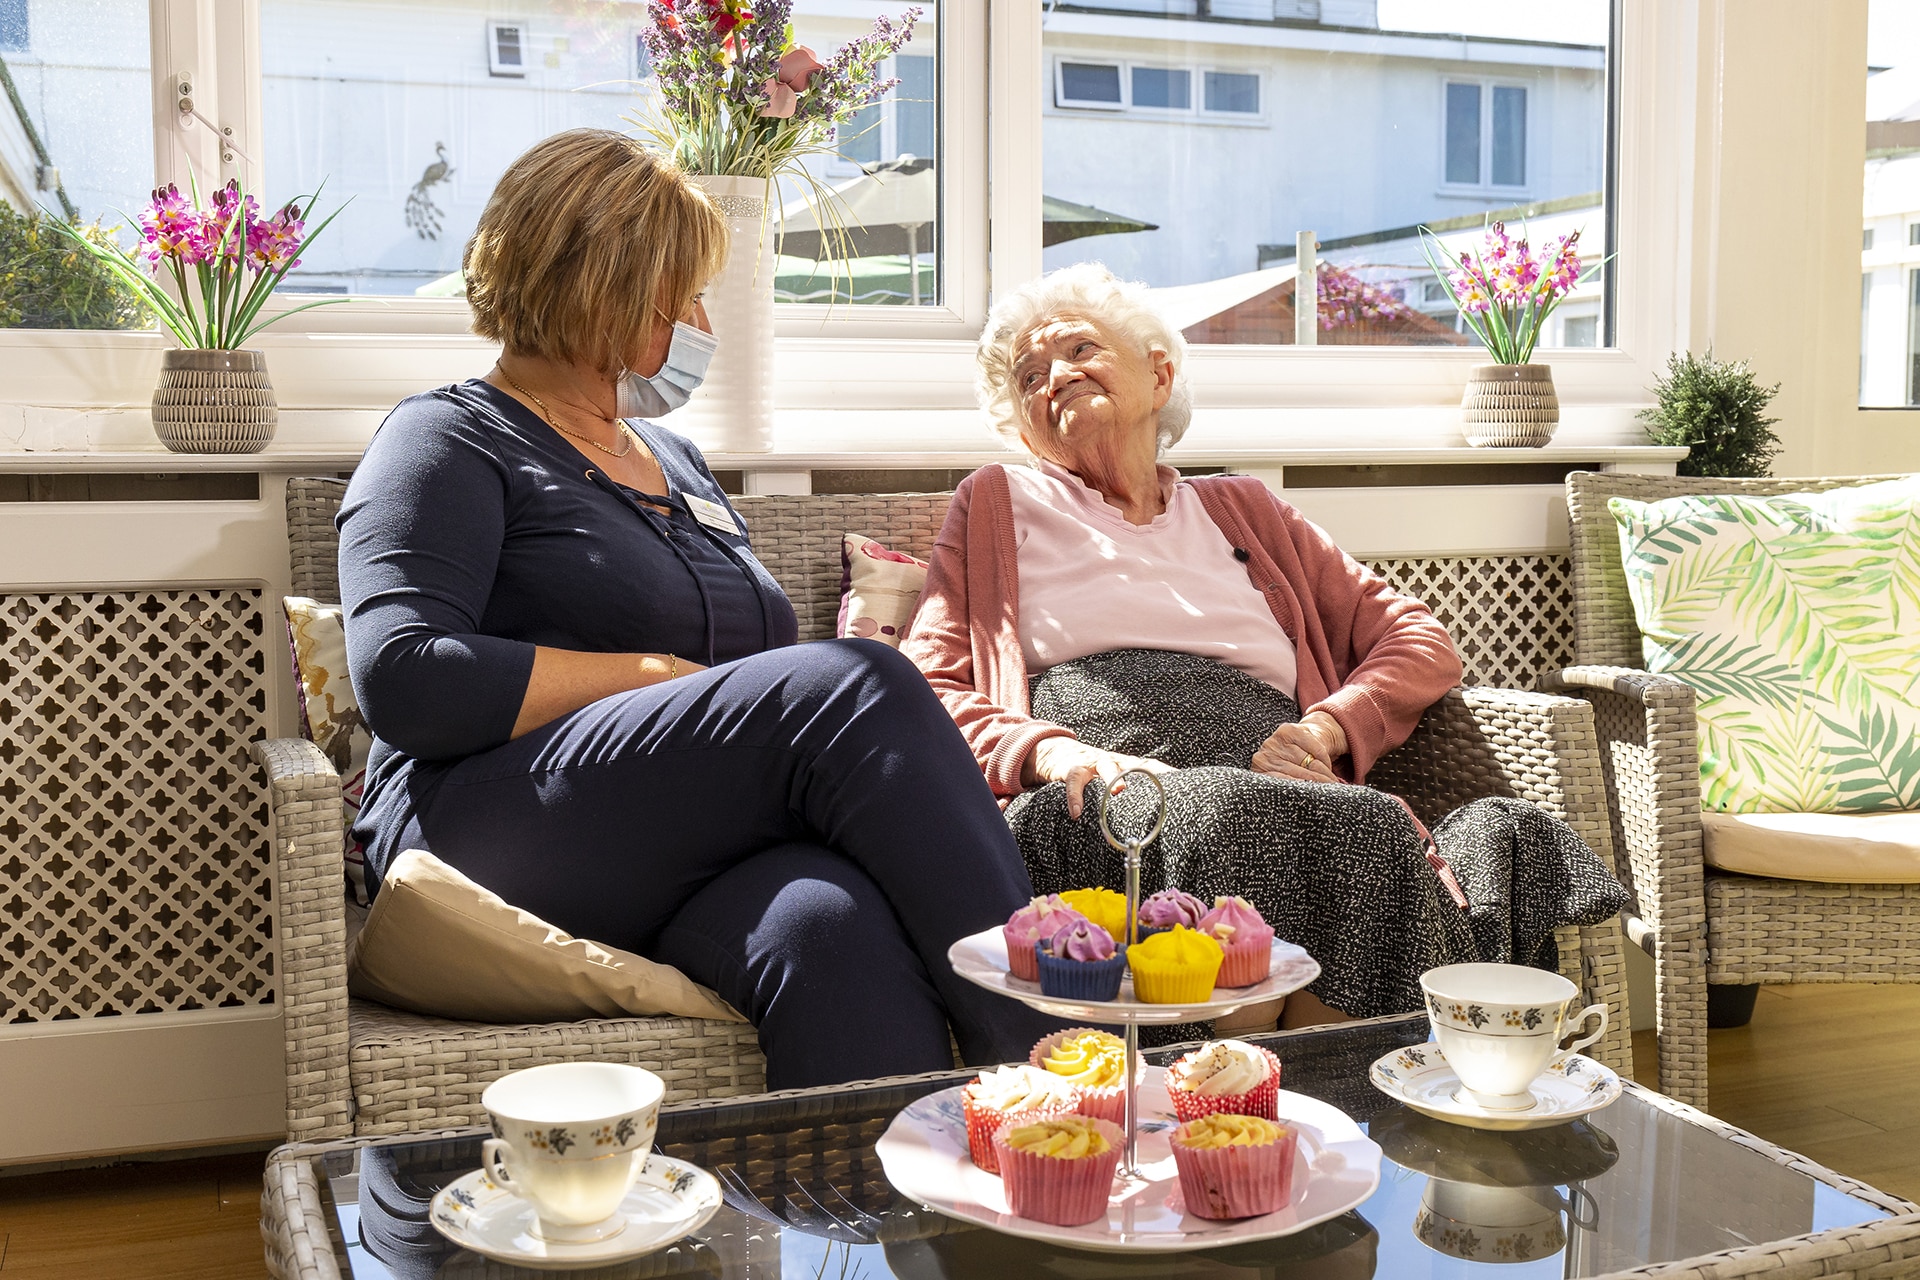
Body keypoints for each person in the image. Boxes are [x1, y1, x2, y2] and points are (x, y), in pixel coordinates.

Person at [338, 129, 1056, 1089]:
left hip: (665, 843)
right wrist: (647, 678)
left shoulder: (676, 463)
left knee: (827, 922)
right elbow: (404, 676)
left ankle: (907, 1221)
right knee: (854, 685)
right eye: (687, 296)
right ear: (610, 293)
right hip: (478, 830)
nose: (702, 322)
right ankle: (1057, 1074)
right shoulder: (448, 436)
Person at [902, 263, 1626, 1028]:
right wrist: (1052, 753)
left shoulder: (1243, 507)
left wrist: (1326, 728)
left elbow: (1419, 640)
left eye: (1081, 350)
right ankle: (1245, 1109)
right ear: (1022, 429)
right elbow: (924, 689)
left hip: (1277, 785)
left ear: (1159, 375)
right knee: (1228, 813)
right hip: (1105, 798)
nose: (1056, 376)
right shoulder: (997, 501)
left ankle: (1317, 1110)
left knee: (1388, 825)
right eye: (1030, 375)